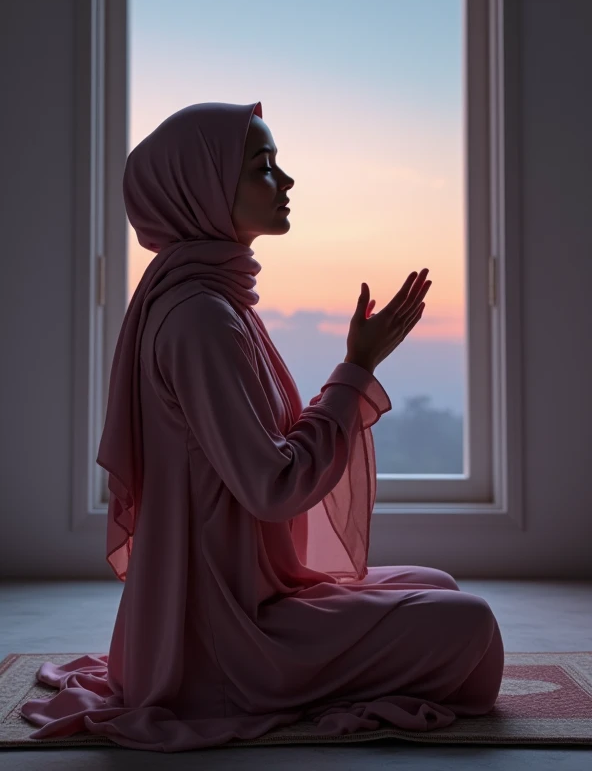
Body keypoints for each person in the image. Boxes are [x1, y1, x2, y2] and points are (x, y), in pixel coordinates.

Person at [19, 101, 504, 751]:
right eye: (264, 168)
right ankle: (268, 681)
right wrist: (356, 368)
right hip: (223, 637)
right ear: (204, 187)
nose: (286, 183)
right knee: (471, 628)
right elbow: (272, 486)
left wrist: (354, 368)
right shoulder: (202, 319)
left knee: (437, 588)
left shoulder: (214, 303)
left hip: (247, 597)